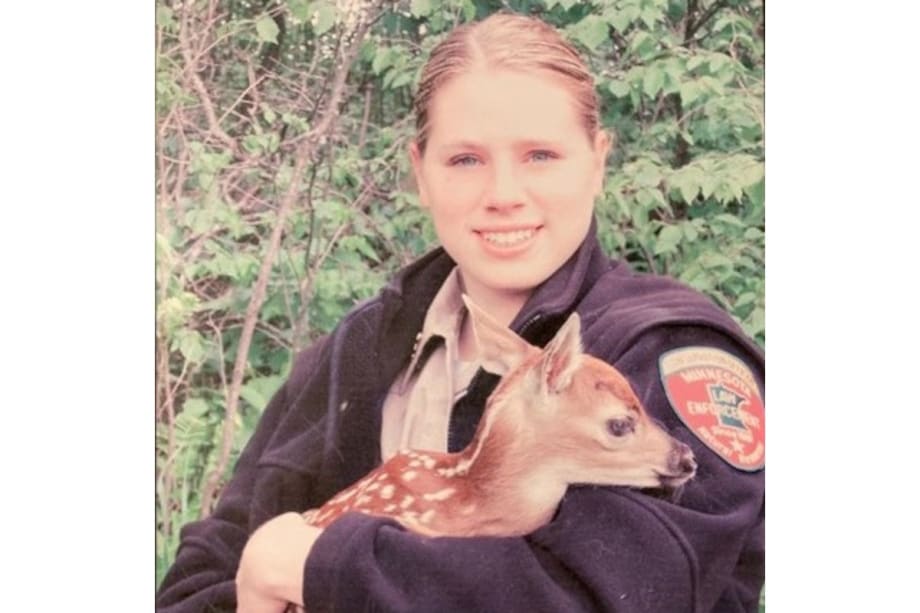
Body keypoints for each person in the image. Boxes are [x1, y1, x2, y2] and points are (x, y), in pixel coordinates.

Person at [157, 11, 765, 613]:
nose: (503, 195)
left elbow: (608, 595)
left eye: (541, 155)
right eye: (465, 160)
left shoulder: (669, 353)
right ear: (420, 173)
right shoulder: (362, 350)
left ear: (598, 161)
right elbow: (209, 569)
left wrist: (316, 566)